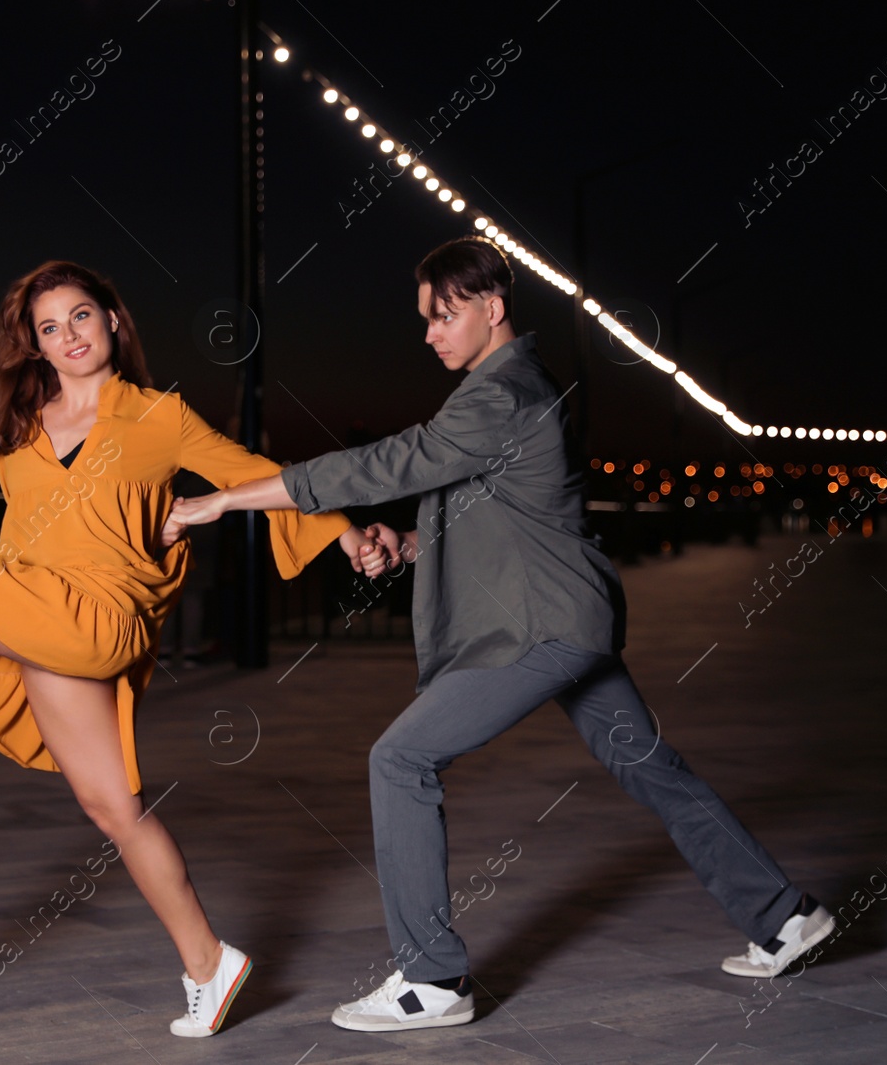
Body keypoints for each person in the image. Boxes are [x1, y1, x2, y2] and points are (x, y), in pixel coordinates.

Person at [170, 237, 832, 1032]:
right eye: (425, 318)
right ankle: (787, 918)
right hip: (568, 619)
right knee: (654, 769)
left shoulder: (502, 392)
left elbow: (390, 464)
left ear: (494, 306)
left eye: (445, 315)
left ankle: (432, 980)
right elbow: (501, 514)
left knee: (401, 757)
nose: (431, 333)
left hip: (540, 631)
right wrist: (408, 546)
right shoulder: (514, 388)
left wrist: (224, 501)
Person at [0, 260, 387, 1038]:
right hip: (40, 611)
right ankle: (208, 963)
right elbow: (31, 537)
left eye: (81, 316)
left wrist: (350, 533)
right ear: (33, 344)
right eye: (50, 327)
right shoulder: (20, 428)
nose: (69, 336)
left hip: (100, 618)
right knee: (113, 808)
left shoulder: (159, 416)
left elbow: (260, 475)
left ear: (113, 321)